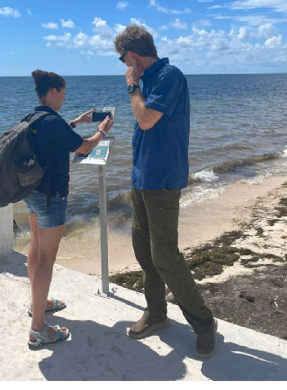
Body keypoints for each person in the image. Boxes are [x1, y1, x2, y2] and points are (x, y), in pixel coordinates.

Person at [114, 25, 217, 358]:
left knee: (165, 257)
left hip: (162, 180)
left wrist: (131, 86)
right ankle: (157, 313)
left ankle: (203, 323)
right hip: (142, 178)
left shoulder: (169, 76)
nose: (124, 65)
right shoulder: (149, 80)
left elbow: (145, 120)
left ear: (132, 55)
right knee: (144, 251)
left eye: (122, 59)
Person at [25, 69, 114, 349]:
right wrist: (101, 130)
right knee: (46, 259)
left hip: (32, 193)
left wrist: (77, 121)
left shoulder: (33, 118)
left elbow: (57, 139)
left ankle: (37, 304)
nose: (64, 98)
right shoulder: (52, 121)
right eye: (63, 93)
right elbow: (85, 147)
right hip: (51, 197)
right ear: (53, 92)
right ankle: (38, 328)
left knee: (36, 249)